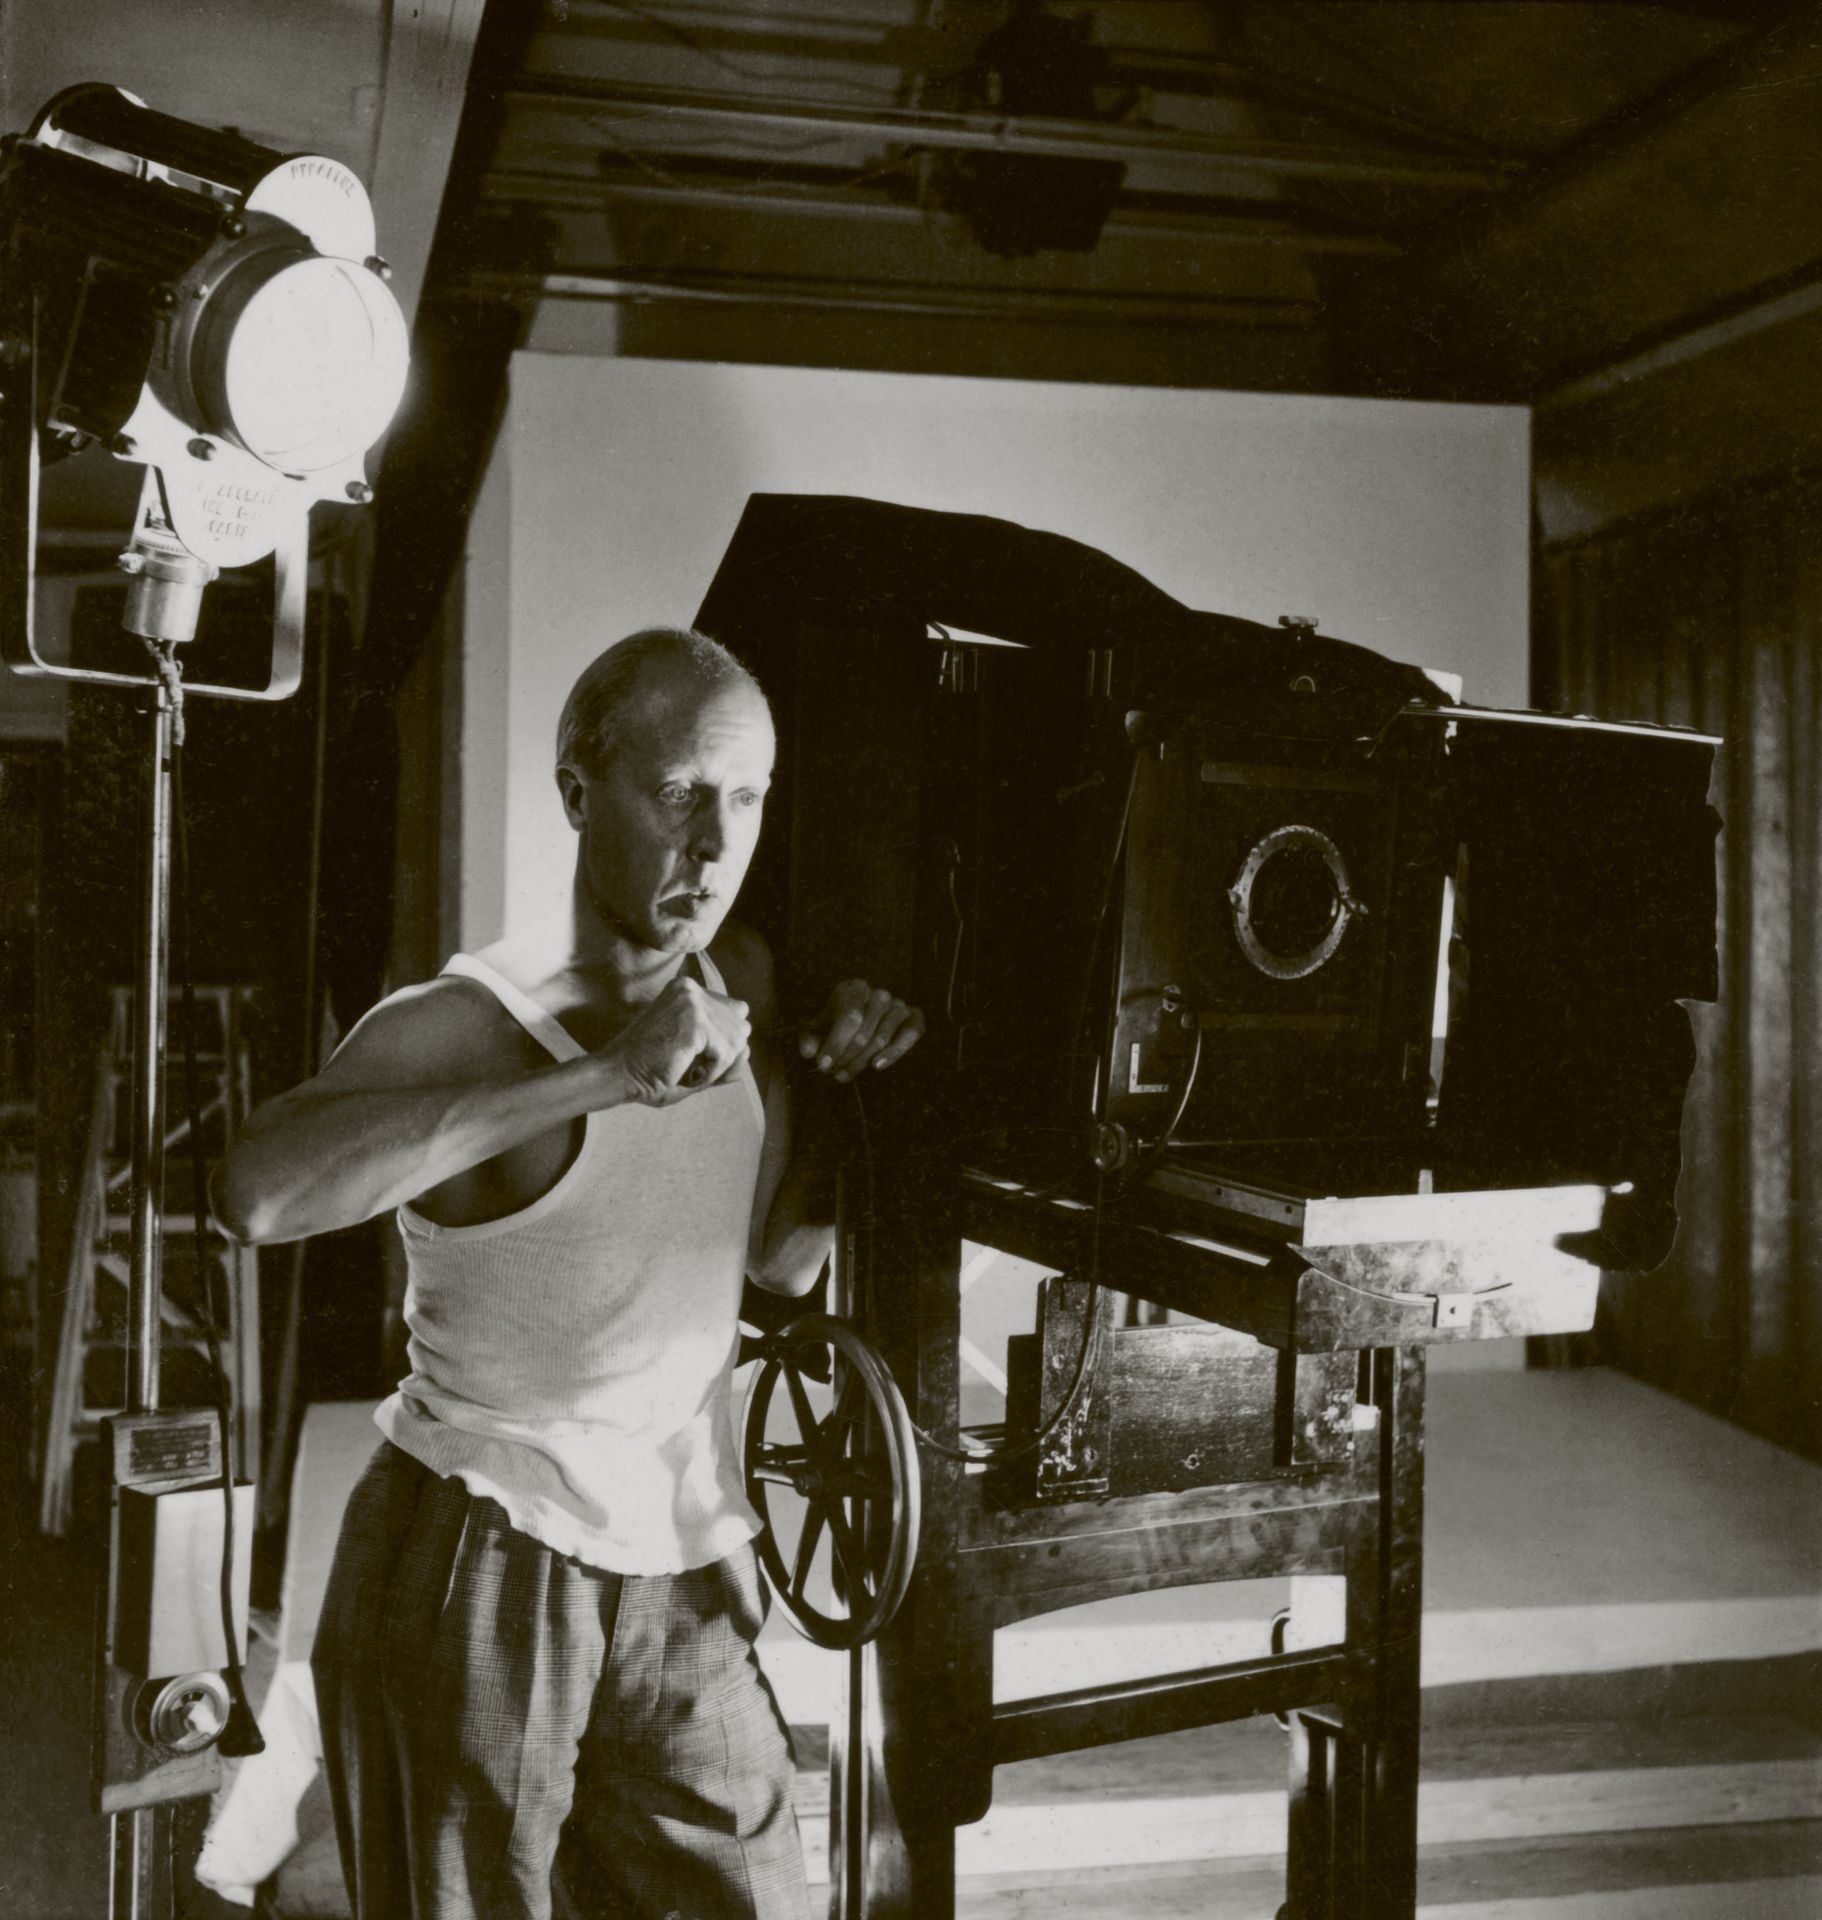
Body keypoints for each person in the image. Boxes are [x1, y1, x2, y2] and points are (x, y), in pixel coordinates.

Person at [212, 626, 924, 1920]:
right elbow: (257, 1195)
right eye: (678, 796)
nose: (714, 847)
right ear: (575, 788)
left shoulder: (739, 984)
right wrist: (600, 1076)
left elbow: (764, 1266)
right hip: (476, 1556)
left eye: (747, 799)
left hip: (681, 1566)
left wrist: (840, 1095)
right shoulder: (465, 1020)